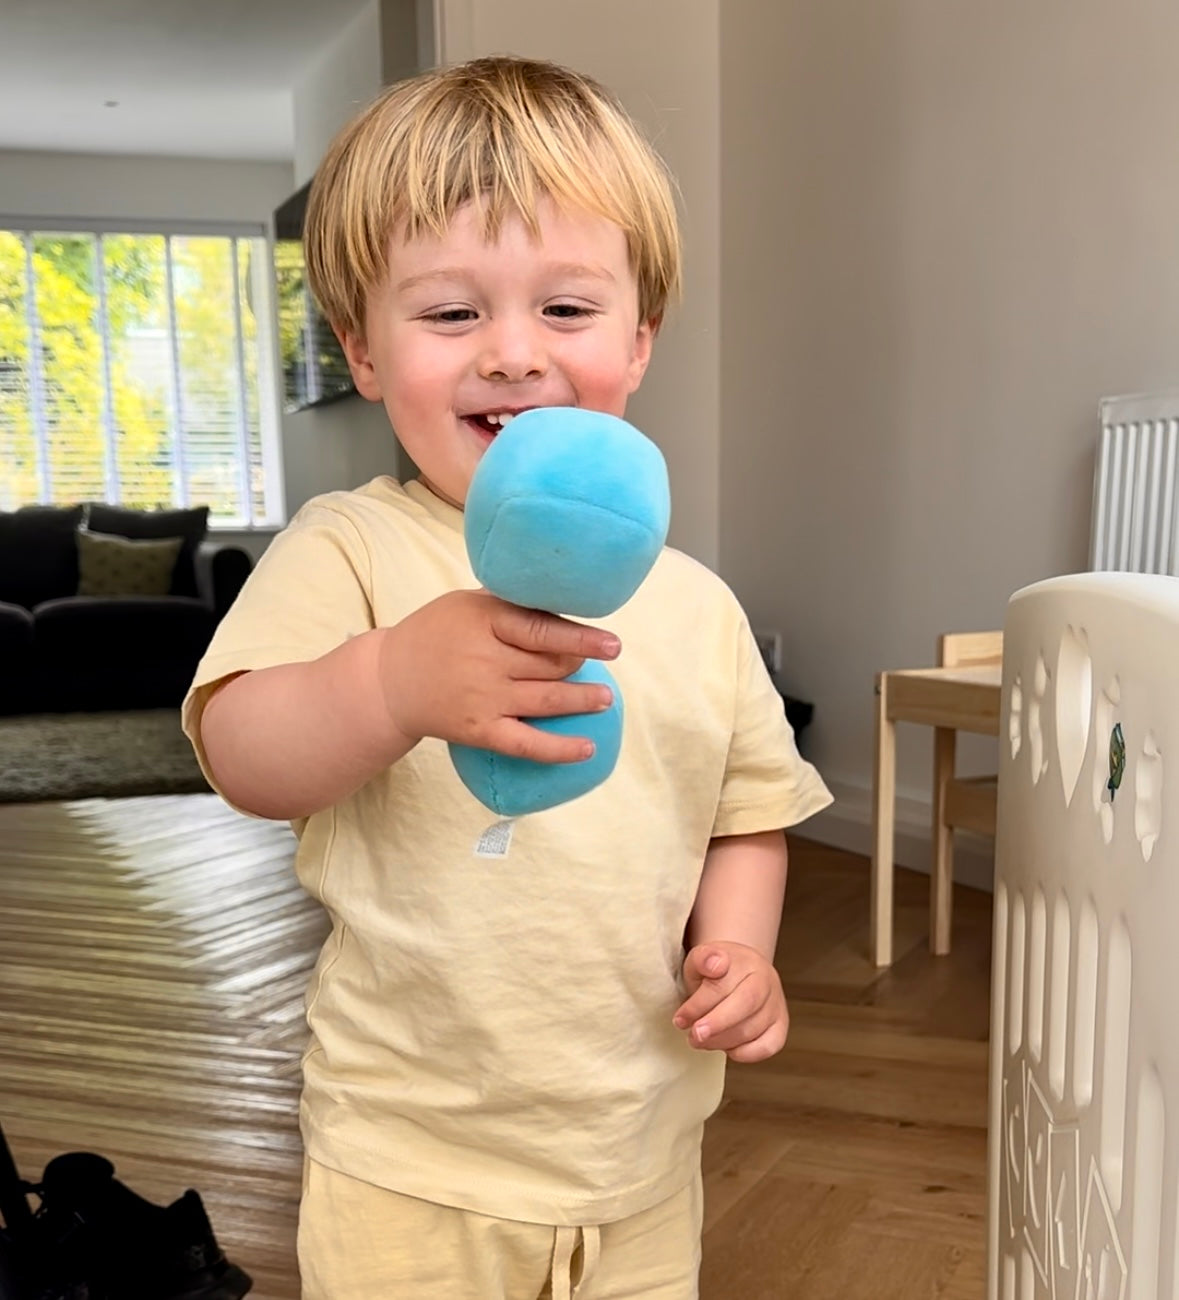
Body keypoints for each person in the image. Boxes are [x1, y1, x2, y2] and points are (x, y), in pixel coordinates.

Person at [183, 54, 831, 1300]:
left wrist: (740, 950)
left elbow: (747, 815)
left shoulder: (700, 605)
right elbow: (242, 752)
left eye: (567, 309)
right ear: (364, 351)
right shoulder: (352, 548)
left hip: (638, 1151)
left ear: (638, 341)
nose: (514, 354)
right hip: (408, 1159)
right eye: (450, 314)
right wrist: (386, 686)